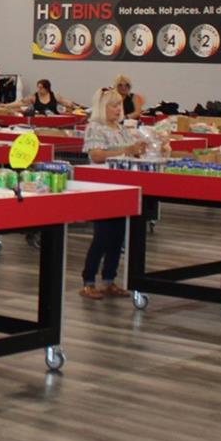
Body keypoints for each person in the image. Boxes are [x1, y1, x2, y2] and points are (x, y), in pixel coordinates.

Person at [80, 88, 148, 300]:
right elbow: (96, 155)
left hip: (121, 187)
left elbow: (130, 151)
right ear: (103, 107)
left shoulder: (120, 128)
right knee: (102, 236)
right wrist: (126, 150)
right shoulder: (95, 128)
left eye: (119, 105)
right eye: (114, 105)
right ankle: (88, 281)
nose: (118, 109)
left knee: (118, 237)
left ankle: (109, 279)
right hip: (102, 188)